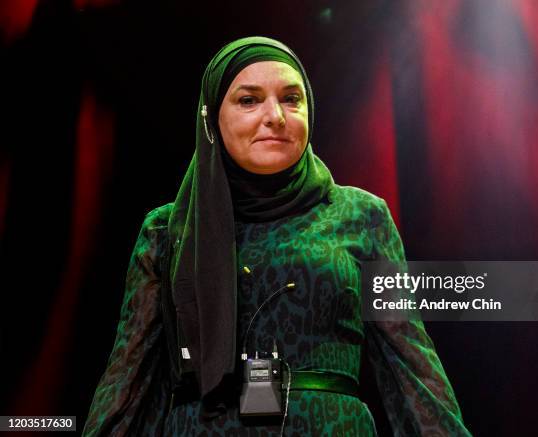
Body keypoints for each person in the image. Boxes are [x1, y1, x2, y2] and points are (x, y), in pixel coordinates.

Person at [83, 36, 470, 436]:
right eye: (249, 100)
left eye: (291, 98)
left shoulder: (361, 216)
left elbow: (409, 364)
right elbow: (129, 379)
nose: (275, 117)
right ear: (212, 117)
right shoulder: (168, 231)